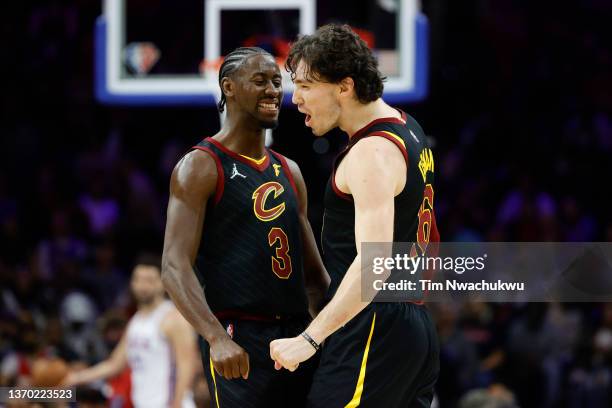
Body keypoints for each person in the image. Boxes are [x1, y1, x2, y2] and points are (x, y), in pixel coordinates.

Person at [270, 24, 440, 407]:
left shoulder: (371, 153)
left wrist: (309, 339)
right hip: (411, 323)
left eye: (305, 86)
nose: (295, 99)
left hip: (374, 322)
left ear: (344, 87)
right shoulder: (407, 128)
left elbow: (375, 266)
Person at [161, 47, 329, 408]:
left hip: (297, 337)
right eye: (259, 80)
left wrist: (330, 330)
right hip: (240, 336)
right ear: (228, 87)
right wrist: (216, 337)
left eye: (275, 80)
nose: (273, 90)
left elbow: (314, 277)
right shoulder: (201, 166)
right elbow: (174, 267)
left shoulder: (290, 170)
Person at [63, 255, 197, 408]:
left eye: (149, 280)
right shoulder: (135, 322)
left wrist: (177, 404)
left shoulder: (173, 318)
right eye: (138, 279)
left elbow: (187, 365)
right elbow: (114, 364)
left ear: (162, 283)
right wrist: (76, 377)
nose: (142, 285)